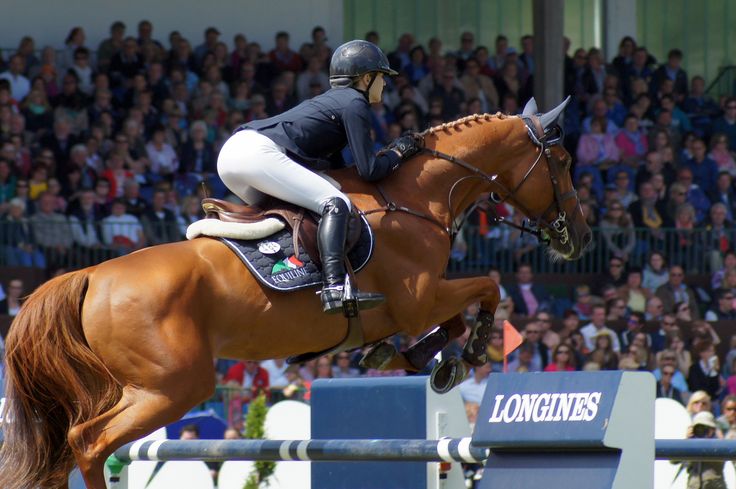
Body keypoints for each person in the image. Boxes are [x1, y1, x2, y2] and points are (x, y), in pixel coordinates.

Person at [216, 40, 420, 314]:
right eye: (382, 77)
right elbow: (368, 170)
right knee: (335, 203)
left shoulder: (332, 102)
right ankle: (335, 286)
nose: (385, 85)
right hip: (256, 154)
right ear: (367, 78)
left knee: (300, 213)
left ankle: (291, 274)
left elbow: (336, 170)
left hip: (234, 156)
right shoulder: (354, 103)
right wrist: (398, 153)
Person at [677, 411, 727, 489]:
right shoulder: (690, 446)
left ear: (712, 429)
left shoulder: (717, 445)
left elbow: (726, 455)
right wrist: (686, 441)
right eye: (698, 428)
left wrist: (719, 438)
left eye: (705, 428)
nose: (701, 431)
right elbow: (673, 460)